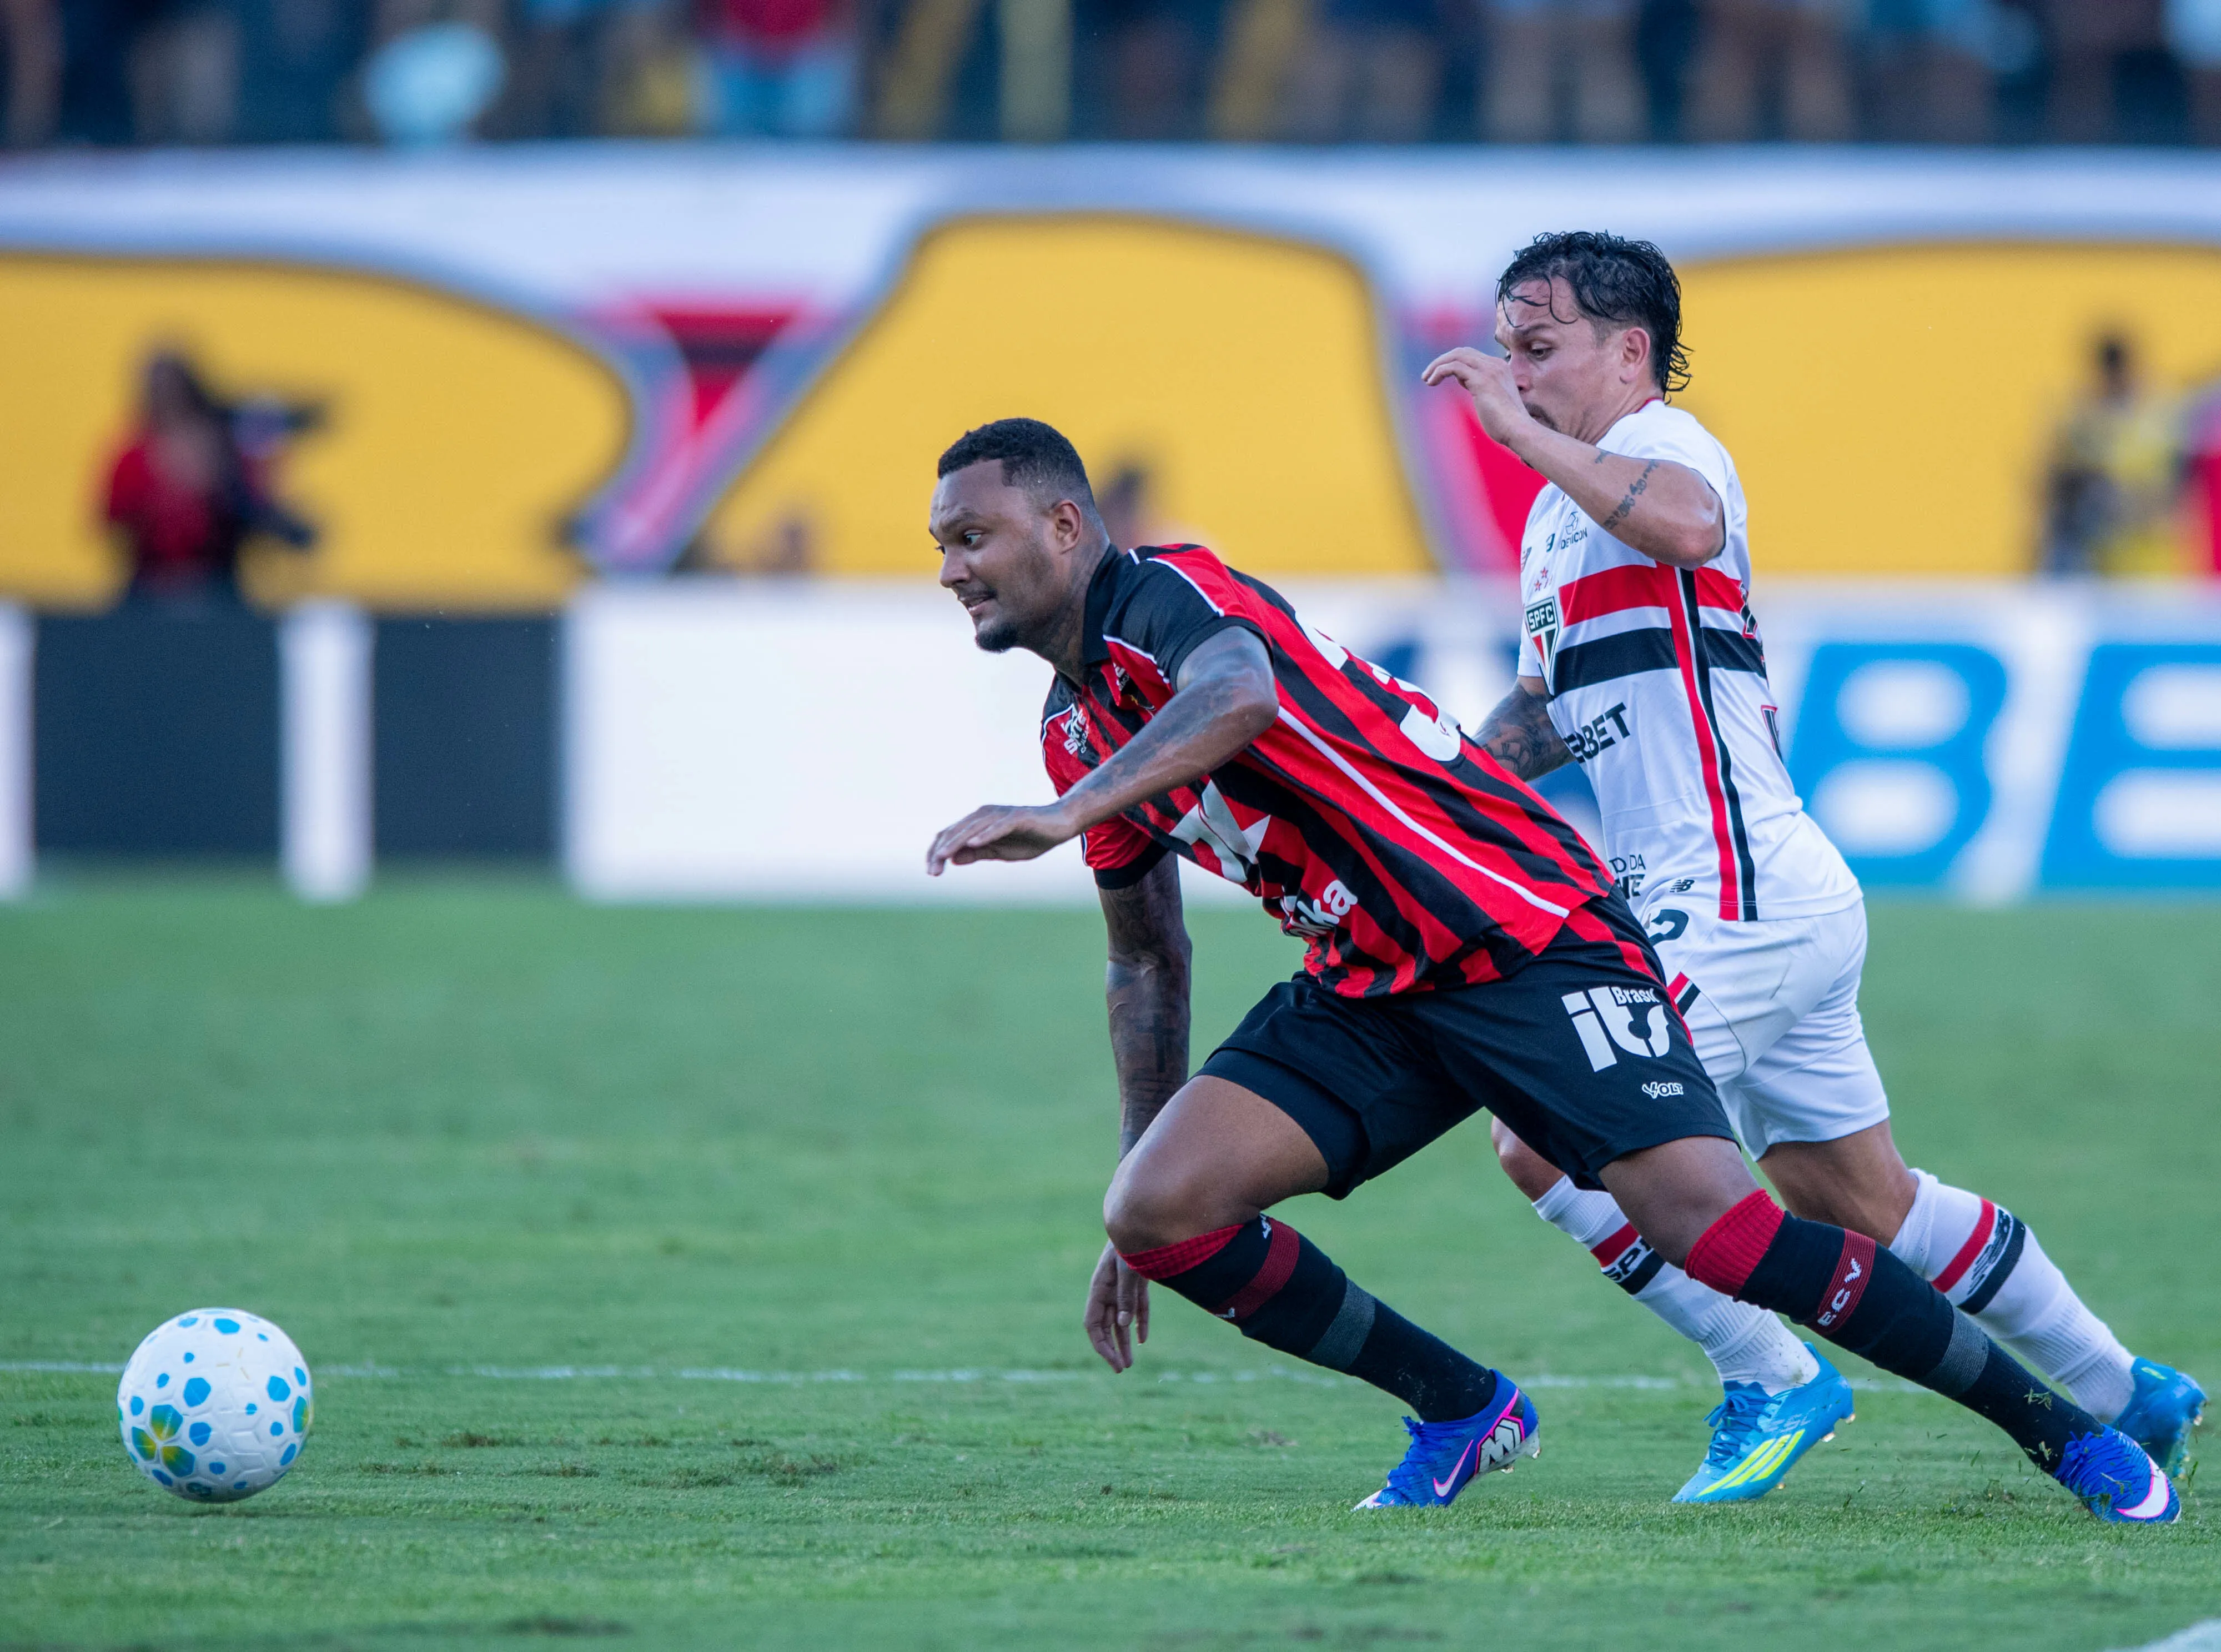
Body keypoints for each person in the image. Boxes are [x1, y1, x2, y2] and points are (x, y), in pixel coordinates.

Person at [923, 414, 2177, 1522]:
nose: (951, 569)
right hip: (1371, 980)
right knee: (1157, 1212)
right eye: (940, 545)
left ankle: (2062, 1433)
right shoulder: (1073, 726)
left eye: (973, 536)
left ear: (1066, 524)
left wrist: (1058, 815)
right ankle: (1463, 1409)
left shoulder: (1169, 591)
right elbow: (1145, 958)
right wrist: (1137, 1155)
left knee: (1717, 1228)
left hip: (1522, 932)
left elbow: (1239, 691)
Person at [1427, 231, 2204, 1505]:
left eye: (1536, 347)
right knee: (1864, 1199)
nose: (1507, 374)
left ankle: (1770, 1377)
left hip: (1728, 897)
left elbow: (1686, 526)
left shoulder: (1666, 451)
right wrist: (1429, 791)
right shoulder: (1556, 531)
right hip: (1763, 894)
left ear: (1629, 352)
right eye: (1503, 349)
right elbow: (1547, 708)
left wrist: (1515, 433)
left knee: (1538, 1133)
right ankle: (2125, 1387)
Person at [103, 350, 316, 602]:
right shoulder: (134, 455)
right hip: (149, 583)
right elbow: (112, 518)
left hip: (218, 582)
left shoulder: (221, 447)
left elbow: (252, 506)